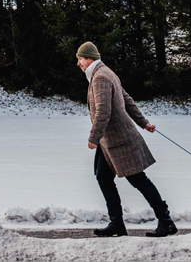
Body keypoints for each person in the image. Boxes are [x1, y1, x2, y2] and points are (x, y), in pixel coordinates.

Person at [75, 42, 177, 238]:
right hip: (109, 142)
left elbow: (104, 111)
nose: (78, 63)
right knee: (103, 177)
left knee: (139, 180)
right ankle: (117, 224)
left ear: (89, 58)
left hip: (119, 140)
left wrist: (93, 136)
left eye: (80, 59)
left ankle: (166, 222)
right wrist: (144, 123)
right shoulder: (105, 73)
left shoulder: (101, 78)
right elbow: (126, 99)